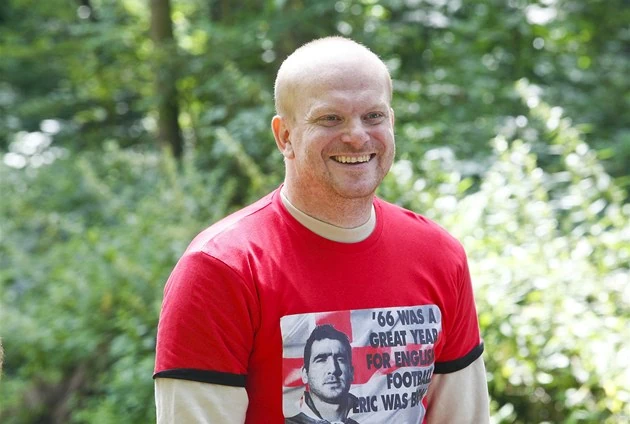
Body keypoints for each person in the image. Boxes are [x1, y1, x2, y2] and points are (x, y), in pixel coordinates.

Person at [154, 36, 490, 423]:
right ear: (285, 136)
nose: (357, 136)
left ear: (391, 123)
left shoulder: (439, 256)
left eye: (374, 116)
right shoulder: (219, 269)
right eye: (330, 118)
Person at [286, 325, 358, 424]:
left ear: (351, 372)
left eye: (340, 359)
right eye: (321, 360)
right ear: (305, 374)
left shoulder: (370, 418)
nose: (333, 369)